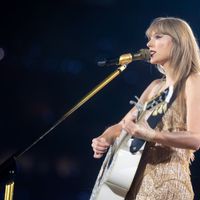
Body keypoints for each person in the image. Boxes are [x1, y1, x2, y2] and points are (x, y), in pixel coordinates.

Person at [91, 17, 200, 200]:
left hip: (168, 185)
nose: (149, 43)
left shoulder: (193, 81)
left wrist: (150, 135)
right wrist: (105, 137)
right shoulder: (155, 87)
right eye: (149, 38)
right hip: (134, 183)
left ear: (178, 41)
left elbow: (196, 139)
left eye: (157, 37)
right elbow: (124, 125)